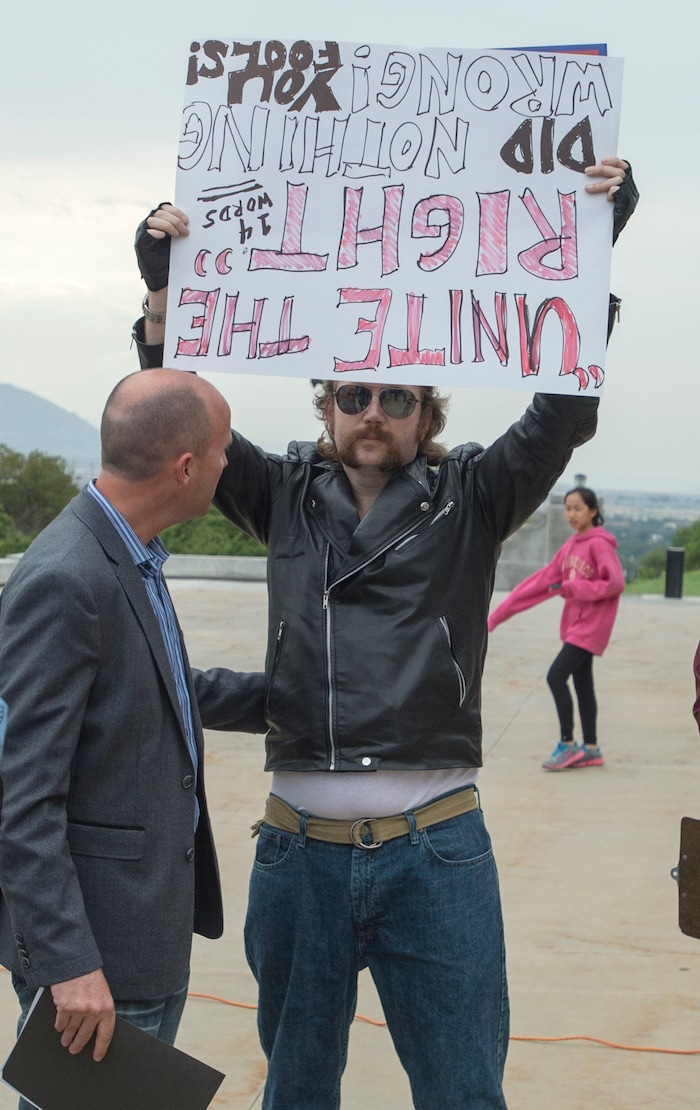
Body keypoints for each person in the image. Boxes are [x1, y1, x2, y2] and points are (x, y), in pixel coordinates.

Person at [132, 160, 635, 1109]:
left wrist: (594, 242)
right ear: (325, 406)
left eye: (396, 398)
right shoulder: (280, 494)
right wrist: (164, 289)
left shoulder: (476, 495)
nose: (373, 414)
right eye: (354, 396)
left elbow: (563, 408)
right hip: (297, 856)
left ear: (426, 413)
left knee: (461, 1092)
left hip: (436, 854)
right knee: (297, 1092)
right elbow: (177, 420)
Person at [0, 370, 266, 1087]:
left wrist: (291, 697)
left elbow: (163, 692)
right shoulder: (69, 578)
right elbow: (22, 799)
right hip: (99, 958)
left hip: (140, 936)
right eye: (222, 451)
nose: (227, 464)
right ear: (185, 468)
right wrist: (70, 964)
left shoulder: (128, 553)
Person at [488, 487, 625, 770]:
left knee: (556, 677)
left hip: (590, 628)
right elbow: (541, 582)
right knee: (582, 684)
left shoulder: (599, 544)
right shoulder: (572, 546)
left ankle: (567, 743)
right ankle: (591, 748)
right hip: (576, 626)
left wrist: (575, 587)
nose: (572, 514)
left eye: (578, 508)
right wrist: (495, 617)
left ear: (593, 511)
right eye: (568, 508)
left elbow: (615, 583)